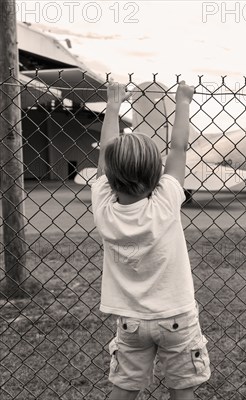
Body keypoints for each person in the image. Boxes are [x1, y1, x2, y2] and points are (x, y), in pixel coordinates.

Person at [91, 81, 210, 400]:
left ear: (111, 176)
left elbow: (105, 156)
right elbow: (179, 149)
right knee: (181, 388)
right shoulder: (165, 202)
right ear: (157, 175)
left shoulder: (104, 210)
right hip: (176, 316)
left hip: (130, 321)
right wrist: (182, 102)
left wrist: (114, 107)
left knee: (124, 387)